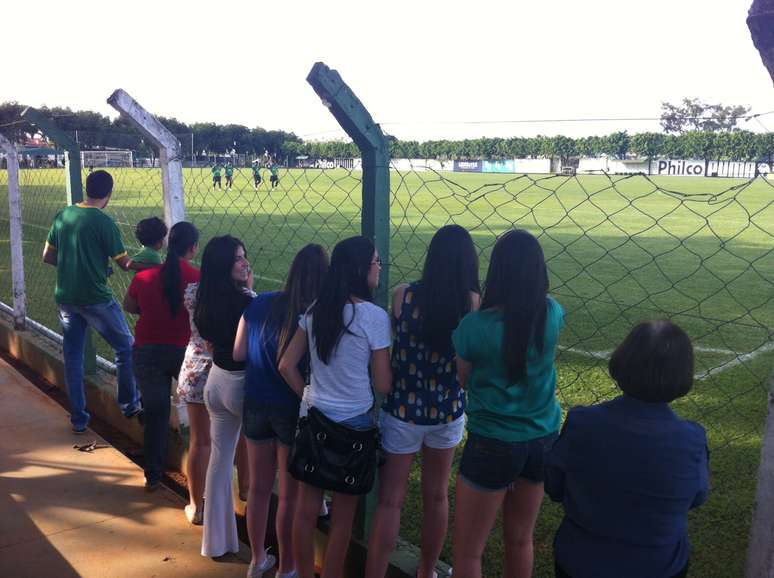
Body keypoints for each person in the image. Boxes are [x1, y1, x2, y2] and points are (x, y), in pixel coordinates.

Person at [545, 320, 710, 578]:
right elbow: (697, 496)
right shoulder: (691, 440)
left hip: (581, 560)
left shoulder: (583, 423)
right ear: (682, 373)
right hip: (659, 566)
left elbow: (554, 485)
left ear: (623, 361)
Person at [366, 225, 481, 578]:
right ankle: (427, 570)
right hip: (446, 412)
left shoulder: (403, 296)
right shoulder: (473, 303)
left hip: (403, 411)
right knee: (436, 497)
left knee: (390, 500)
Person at [451, 229, 564, 578]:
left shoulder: (475, 327)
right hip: (542, 440)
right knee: (520, 540)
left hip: (493, 443)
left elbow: (463, 379)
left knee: (469, 552)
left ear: (497, 272)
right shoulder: (552, 313)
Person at [279, 236, 392, 578]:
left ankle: (299, 572)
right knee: (343, 521)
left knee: (305, 509)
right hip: (354, 427)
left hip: (314, 420)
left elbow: (285, 365)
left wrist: (309, 395)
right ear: (361, 269)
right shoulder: (373, 316)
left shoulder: (315, 311)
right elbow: (384, 384)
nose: (379, 268)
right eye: (376, 262)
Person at [233, 244, 329, 578]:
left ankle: (257, 558)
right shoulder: (313, 315)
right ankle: (287, 566)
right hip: (289, 409)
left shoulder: (259, 302)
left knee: (257, 488)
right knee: (288, 496)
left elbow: (239, 351)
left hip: (255, 403)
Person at [42, 169, 143, 433]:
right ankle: (130, 404)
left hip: (66, 297)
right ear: (109, 193)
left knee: (73, 357)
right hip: (96, 299)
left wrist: (78, 268)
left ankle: (78, 419)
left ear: (87, 189)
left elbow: (48, 256)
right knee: (127, 348)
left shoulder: (64, 214)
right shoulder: (103, 221)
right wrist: (157, 265)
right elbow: (125, 264)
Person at [123, 222, 200, 491]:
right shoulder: (197, 277)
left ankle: (153, 475)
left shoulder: (145, 277)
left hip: (147, 351)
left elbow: (129, 306)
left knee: (156, 413)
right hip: (184, 353)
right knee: (200, 417)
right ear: (192, 248)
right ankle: (201, 480)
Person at [194, 235, 256, 559]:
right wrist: (250, 292)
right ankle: (258, 550)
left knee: (219, 462)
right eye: (238, 259)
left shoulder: (204, 299)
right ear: (223, 265)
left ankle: (216, 542)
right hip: (240, 384)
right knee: (260, 465)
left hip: (215, 383)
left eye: (244, 257)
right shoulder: (246, 302)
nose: (245, 263)